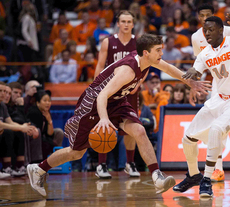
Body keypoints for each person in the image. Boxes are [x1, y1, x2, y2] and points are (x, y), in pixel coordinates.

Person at [26, 33, 211, 196]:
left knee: (139, 130)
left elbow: (170, 69)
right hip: (93, 103)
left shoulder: (149, 60)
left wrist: (191, 83)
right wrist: (104, 118)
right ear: (146, 53)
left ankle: (157, 176)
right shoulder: (128, 70)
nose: (161, 54)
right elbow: (102, 96)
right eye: (158, 50)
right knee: (76, 153)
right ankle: (39, 169)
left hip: (117, 101)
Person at [173, 14, 230, 197]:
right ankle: (193, 175)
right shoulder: (204, 54)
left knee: (216, 130)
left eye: (210, 29)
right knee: (188, 138)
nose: (207, 33)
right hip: (219, 100)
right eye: (204, 30)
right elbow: (196, 72)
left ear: (220, 30)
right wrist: (193, 74)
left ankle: (207, 180)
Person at [190, 3, 230, 182]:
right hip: (218, 83)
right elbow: (199, 64)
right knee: (215, 126)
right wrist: (193, 86)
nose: (204, 18)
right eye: (201, 15)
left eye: (208, 15)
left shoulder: (229, 32)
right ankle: (218, 169)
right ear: (198, 18)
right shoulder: (196, 37)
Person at [93, 10, 140, 179]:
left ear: (133, 24)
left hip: (130, 91)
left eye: (129, 21)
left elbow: (147, 66)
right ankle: (102, 165)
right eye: (123, 21)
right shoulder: (108, 42)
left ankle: (129, 163)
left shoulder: (138, 43)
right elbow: (100, 66)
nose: (126, 24)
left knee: (131, 128)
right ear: (118, 23)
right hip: (111, 90)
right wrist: (96, 88)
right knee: (105, 127)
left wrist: (138, 83)